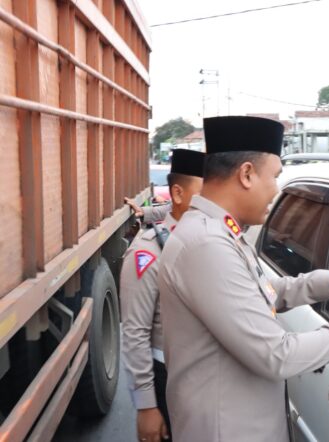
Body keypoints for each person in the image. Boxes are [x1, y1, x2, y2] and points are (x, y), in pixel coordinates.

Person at [157, 116, 329, 442]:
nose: (276, 189)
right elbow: (275, 355)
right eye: (274, 176)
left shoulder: (219, 232)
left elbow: (258, 293)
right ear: (247, 174)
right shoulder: (207, 244)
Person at [120, 149, 205, 442]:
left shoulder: (211, 241)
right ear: (179, 193)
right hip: (167, 377)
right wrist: (146, 406)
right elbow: (135, 330)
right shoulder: (149, 251)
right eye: (205, 193)